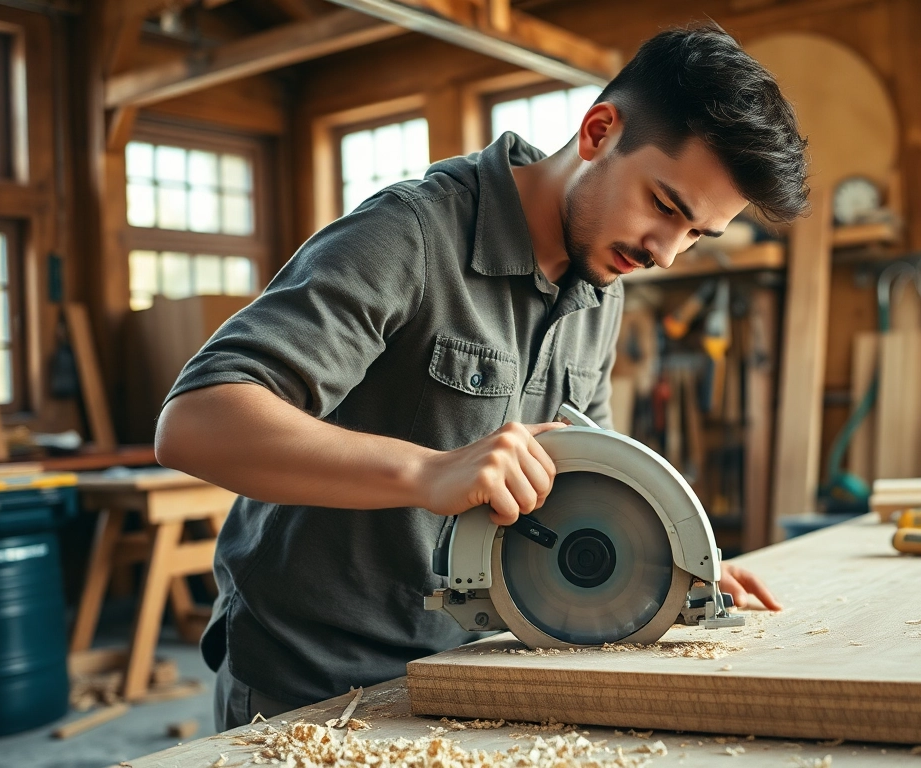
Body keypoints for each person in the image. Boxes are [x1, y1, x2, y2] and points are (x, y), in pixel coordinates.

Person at [155, 22, 810, 731]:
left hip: (467, 668)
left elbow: (591, 476)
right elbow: (195, 424)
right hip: (310, 677)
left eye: (695, 234)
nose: (668, 254)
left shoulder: (601, 283)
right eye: (665, 207)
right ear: (598, 132)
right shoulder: (410, 235)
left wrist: (680, 575)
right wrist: (430, 472)